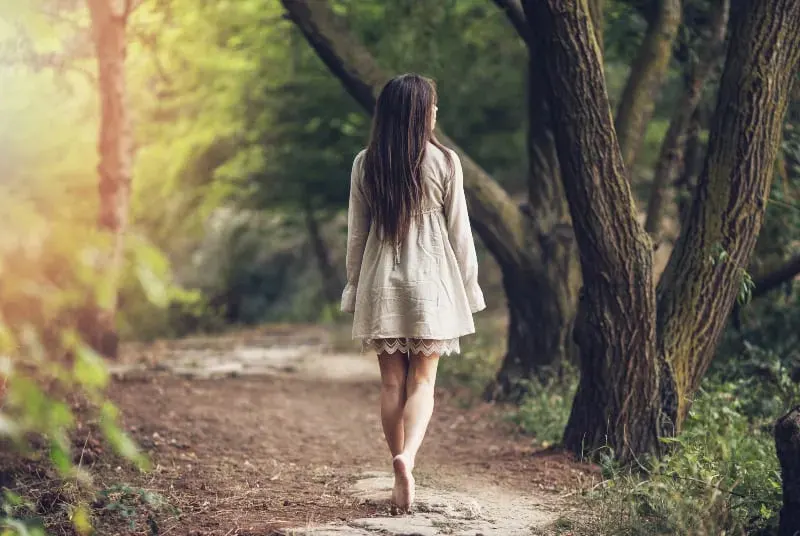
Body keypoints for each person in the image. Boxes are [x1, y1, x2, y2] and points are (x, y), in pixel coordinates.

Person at [341, 73, 486, 511]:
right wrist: (469, 285)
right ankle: (410, 457)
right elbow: (460, 232)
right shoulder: (445, 161)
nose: (437, 112)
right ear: (421, 113)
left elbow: (356, 235)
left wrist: (353, 286)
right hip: (432, 284)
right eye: (433, 106)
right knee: (423, 381)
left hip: (381, 281)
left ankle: (394, 461)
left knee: (391, 383)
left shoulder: (366, 163)